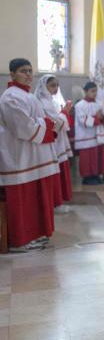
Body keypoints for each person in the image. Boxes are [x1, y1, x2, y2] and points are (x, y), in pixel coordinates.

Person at [0, 59, 61, 251]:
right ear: (12, 74)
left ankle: (32, 236)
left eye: (30, 71)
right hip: (19, 158)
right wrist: (47, 125)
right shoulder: (10, 97)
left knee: (33, 201)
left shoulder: (28, 96)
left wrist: (43, 123)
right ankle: (19, 241)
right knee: (21, 200)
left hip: (33, 156)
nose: (28, 74)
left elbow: (38, 121)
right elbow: (24, 127)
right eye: (23, 71)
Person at [34, 74, 74, 205]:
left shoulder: (53, 100)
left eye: (57, 85)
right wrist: (65, 112)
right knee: (54, 168)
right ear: (44, 86)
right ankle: (55, 201)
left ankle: (59, 199)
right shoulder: (43, 102)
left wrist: (63, 113)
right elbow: (56, 123)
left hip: (58, 140)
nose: (56, 88)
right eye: (52, 85)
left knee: (59, 168)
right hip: (52, 140)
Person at [74, 82, 104, 185]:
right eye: (92, 91)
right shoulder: (79, 105)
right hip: (85, 136)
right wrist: (97, 118)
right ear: (86, 92)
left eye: (96, 91)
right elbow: (82, 120)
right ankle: (87, 177)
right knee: (87, 158)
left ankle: (96, 175)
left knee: (98, 156)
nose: (94, 93)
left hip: (98, 137)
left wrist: (103, 117)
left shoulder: (99, 104)